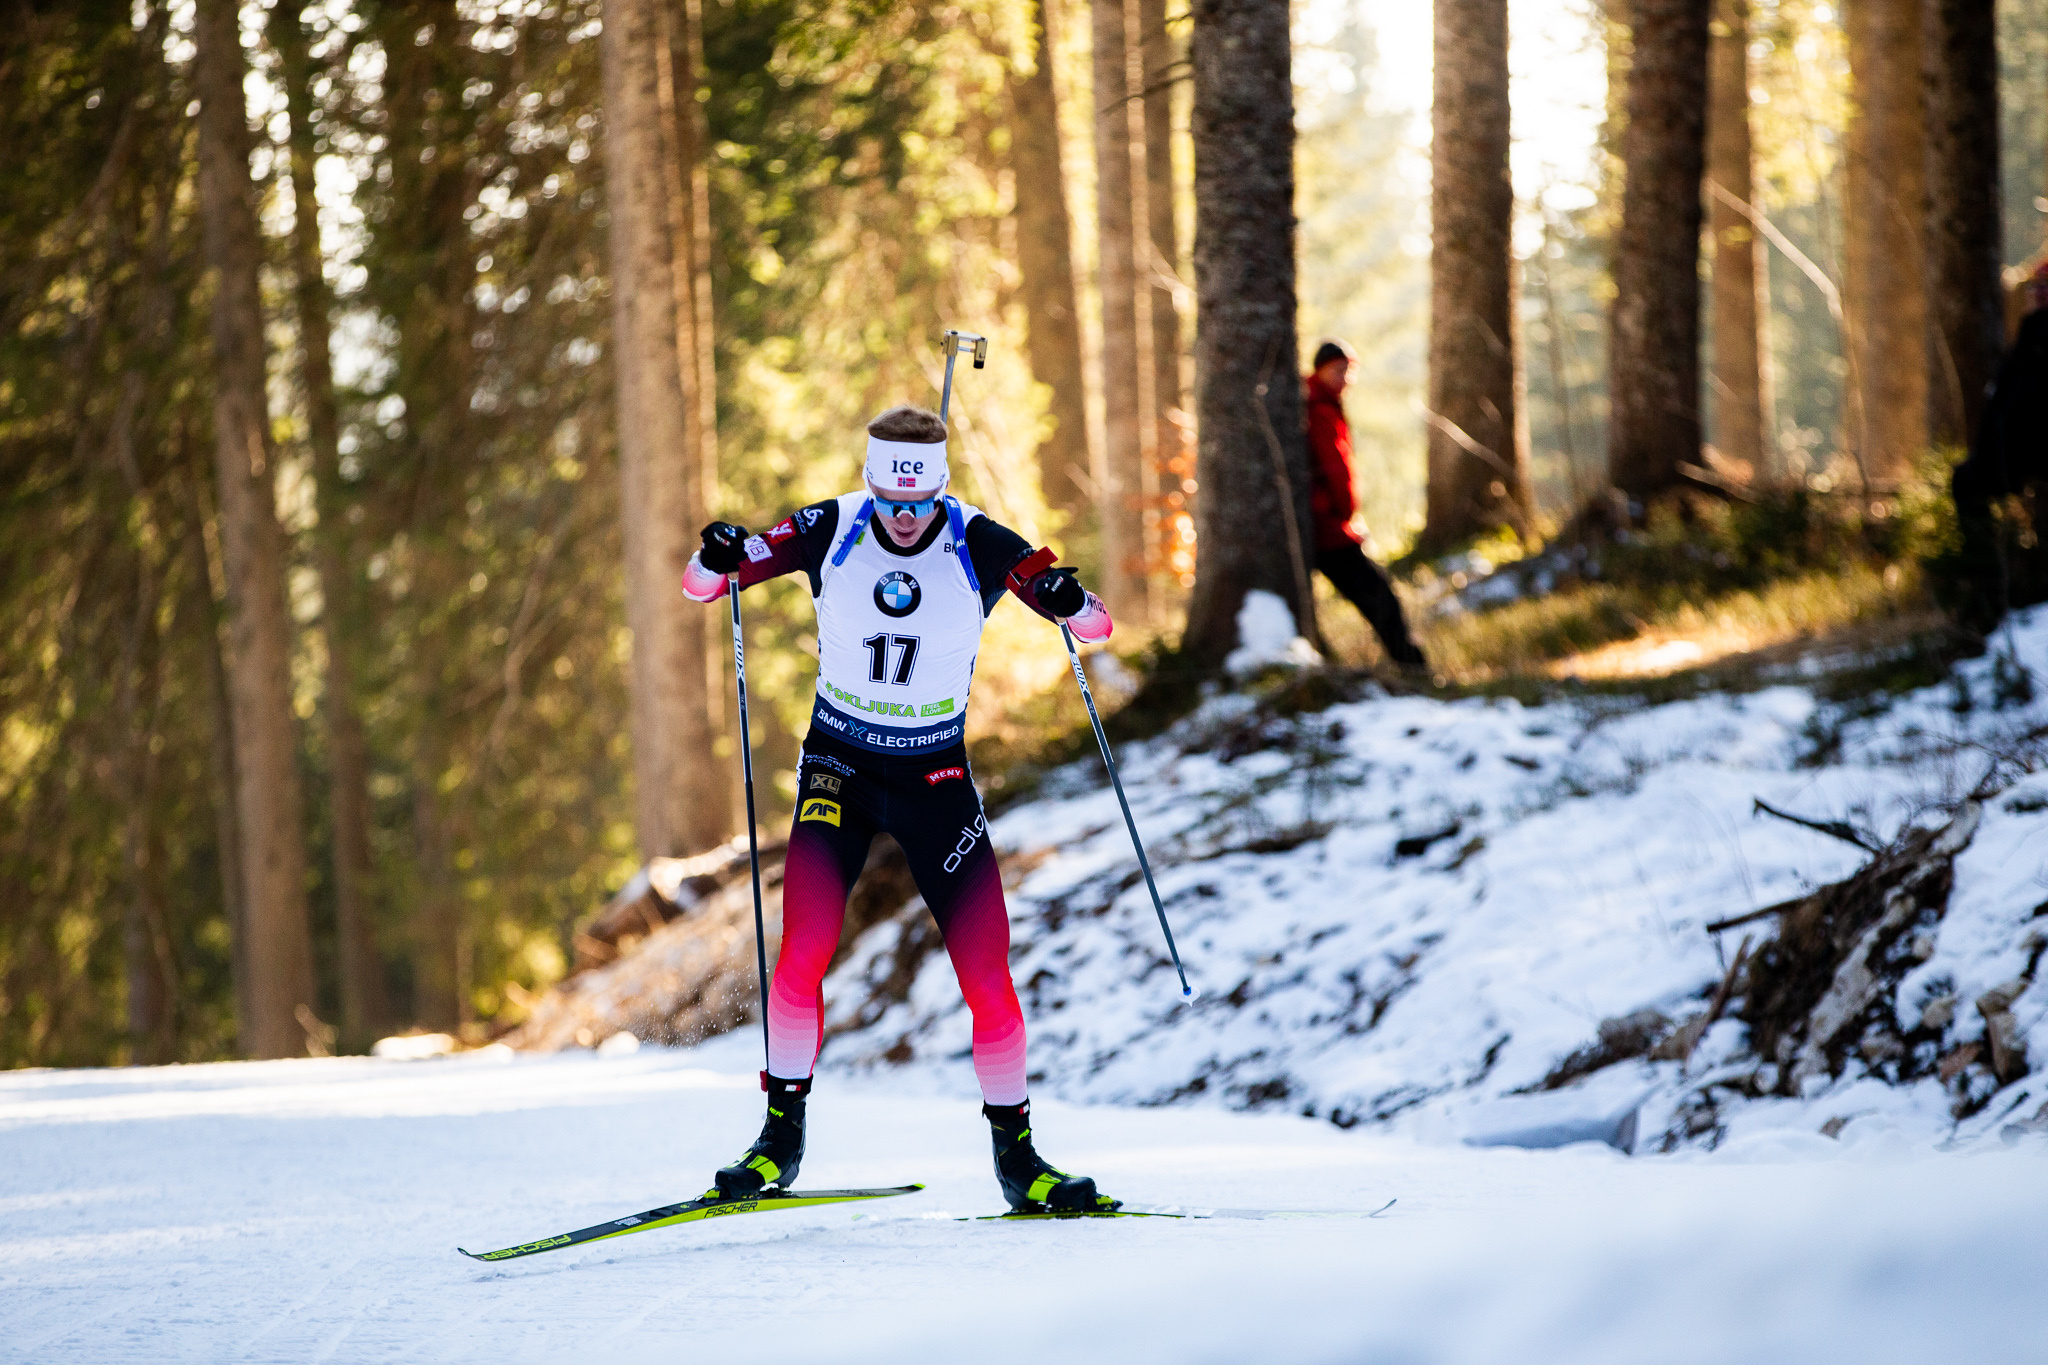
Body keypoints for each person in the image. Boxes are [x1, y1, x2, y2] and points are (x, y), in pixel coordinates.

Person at [681, 403, 1121, 1214]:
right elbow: (707, 584)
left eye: (921, 503)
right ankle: (779, 1140)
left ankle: (1019, 1160)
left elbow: (1094, 624)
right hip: (839, 768)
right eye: (892, 501)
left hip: (934, 779)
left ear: (941, 490)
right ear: (873, 485)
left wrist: (1065, 595)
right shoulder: (831, 526)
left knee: (987, 968)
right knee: (805, 948)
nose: (907, 518)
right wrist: (716, 551)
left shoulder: (978, 538)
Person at [1303, 340, 1427, 667]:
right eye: (1339, 370)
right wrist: (1346, 515)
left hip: (1324, 522)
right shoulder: (1319, 409)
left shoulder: (1320, 403)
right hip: (1327, 526)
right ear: (1321, 371)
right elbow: (1335, 467)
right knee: (1380, 597)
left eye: (1350, 370)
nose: (1346, 378)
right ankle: (1413, 667)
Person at [1950, 260, 2048, 633]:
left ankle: (1988, 595)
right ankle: (1988, 592)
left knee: (1967, 484)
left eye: (2046, 289)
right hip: (2009, 458)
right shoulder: (2028, 335)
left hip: (2026, 457)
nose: (2038, 295)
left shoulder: (2038, 334)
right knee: (1966, 482)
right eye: (2034, 289)